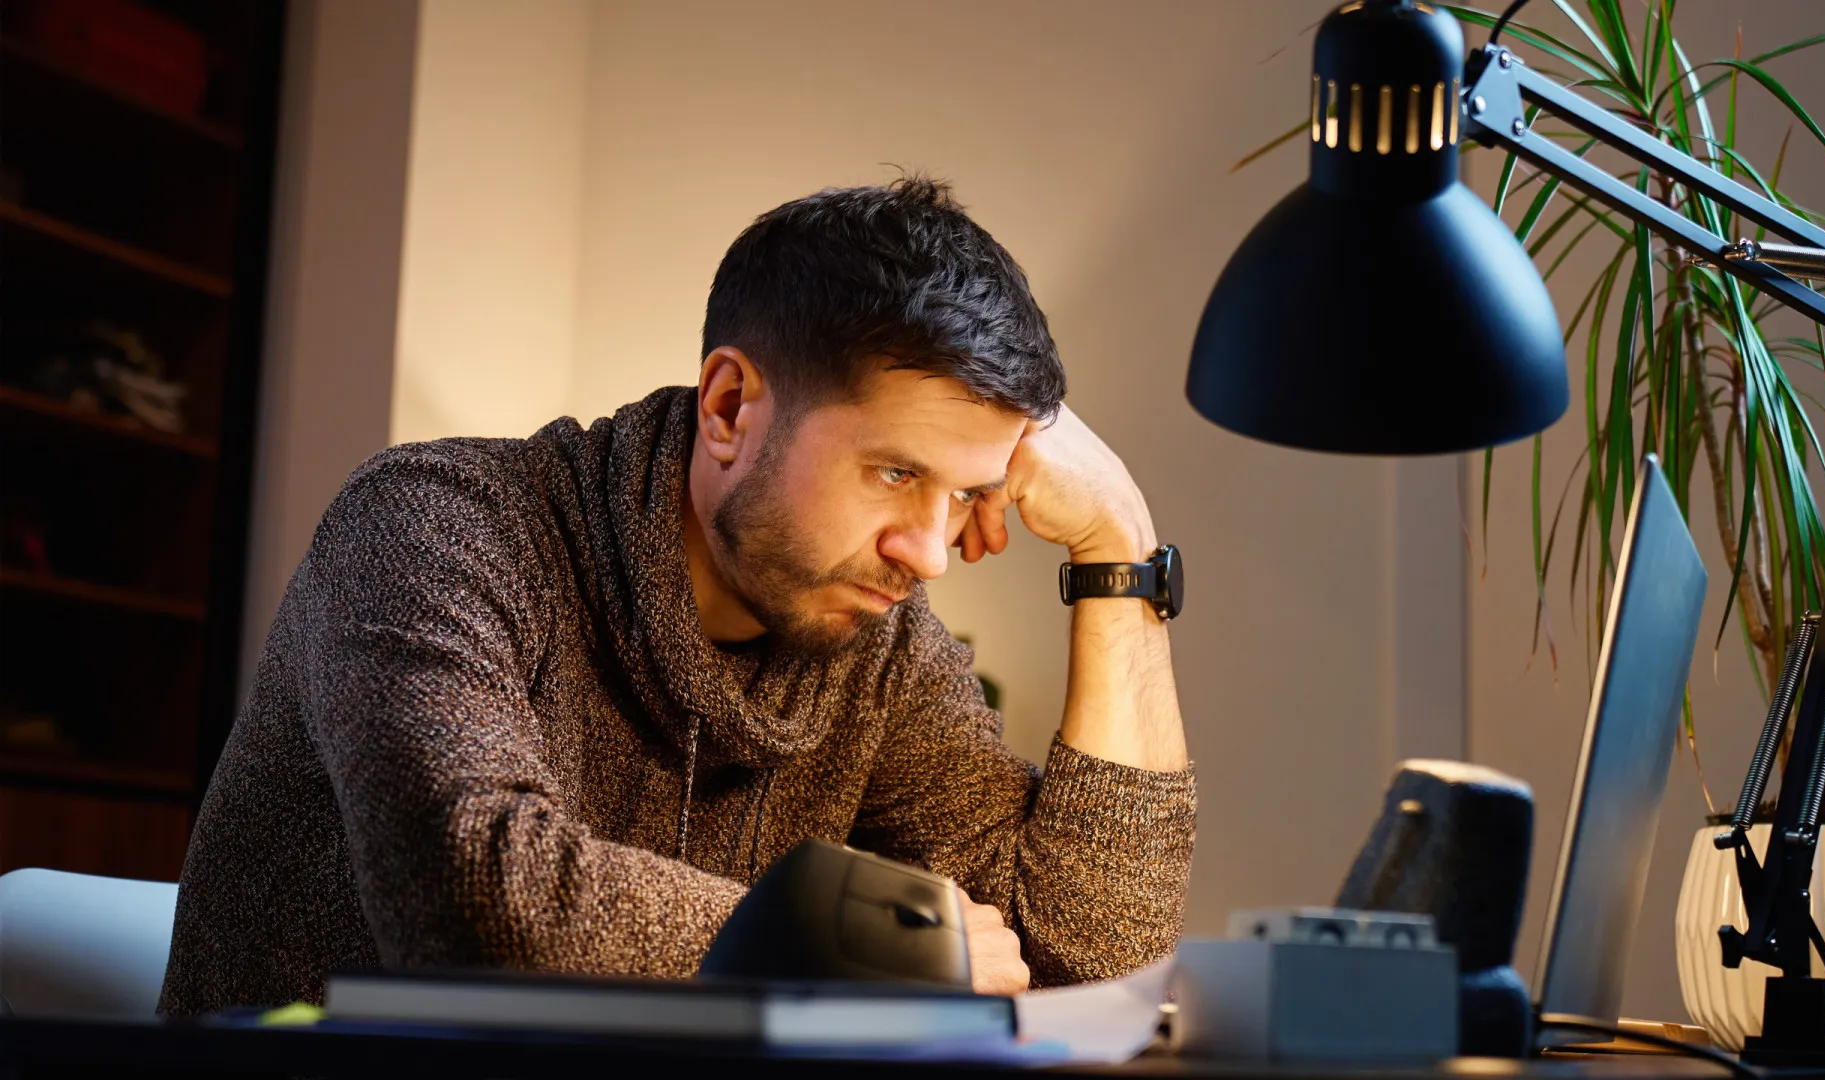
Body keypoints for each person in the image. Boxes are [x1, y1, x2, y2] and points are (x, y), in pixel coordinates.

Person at [158, 177, 1194, 1016]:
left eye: (966, 494)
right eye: (894, 473)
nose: (927, 551)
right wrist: (847, 941)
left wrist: (1121, 553)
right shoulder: (435, 524)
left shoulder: (878, 643)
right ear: (732, 406)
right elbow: (475, 895)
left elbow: (1087, 964)